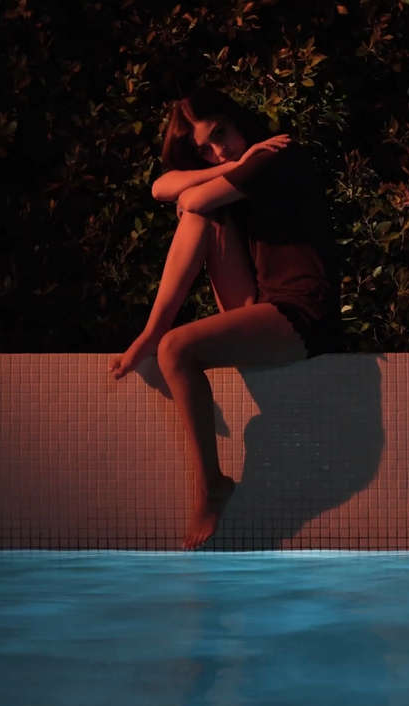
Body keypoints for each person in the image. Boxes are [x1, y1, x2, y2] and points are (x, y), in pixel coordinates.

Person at [107, 87, 343, 550]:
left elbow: (191, 199)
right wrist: (226, 167)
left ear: (237, 120)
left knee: (177, 346)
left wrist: (223, 175)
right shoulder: (245, 161)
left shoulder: (276, 152)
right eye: (205, 149)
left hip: (303, 312)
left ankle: (211, 486)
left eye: (221, 134)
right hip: (261, 304)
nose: (219, 150)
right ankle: (151, 333)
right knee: (204, 218)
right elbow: (160, 187)